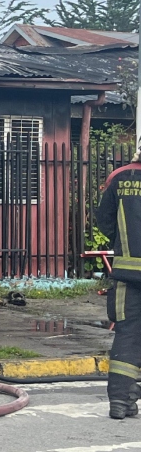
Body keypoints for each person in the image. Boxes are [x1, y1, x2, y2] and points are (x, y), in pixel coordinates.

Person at [95, 146, 141, 419]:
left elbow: (104, 221)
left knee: (128, 333)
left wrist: (125, 247)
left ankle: (121, 400)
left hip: (127, 274)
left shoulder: (119, 177)